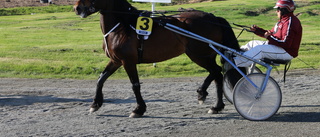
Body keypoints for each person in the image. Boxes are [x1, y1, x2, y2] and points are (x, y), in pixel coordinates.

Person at [233, 0, 302, 67]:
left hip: (286, 52)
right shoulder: (283, 21)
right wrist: (257, 30)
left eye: (278, 9)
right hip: (280, 47)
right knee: (252, 44)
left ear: (284, 10)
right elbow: (270, 34)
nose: (276, 11)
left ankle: (235, 63)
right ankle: (236, 54)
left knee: (259, 49)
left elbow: (285, 43)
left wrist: (268, 37)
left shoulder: (290, 22)